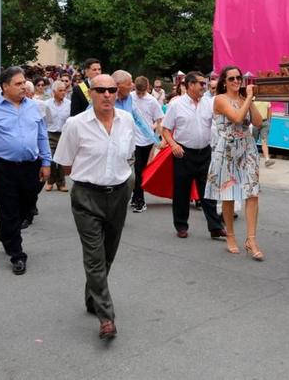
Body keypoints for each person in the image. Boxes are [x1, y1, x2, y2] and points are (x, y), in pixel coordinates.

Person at [54, 74, 136, 340]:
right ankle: (106, 317)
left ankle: (93, 298)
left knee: (108, 253)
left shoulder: (127, 121)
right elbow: (66, 164)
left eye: (112, 90)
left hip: (119, 193)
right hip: (87, 196)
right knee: (94, 257)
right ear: (91, 93)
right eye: (100, 90)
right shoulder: (75, 124)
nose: (107, 95)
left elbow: (128, 157)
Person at [0, 66, 51, 275]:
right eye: (18, 83)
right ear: (5, 86)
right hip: (3, 166)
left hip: (31, 165)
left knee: (26, 206)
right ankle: (17, 253)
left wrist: (46, 162)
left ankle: (7, 234)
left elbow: (42, 135)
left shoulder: (34, 107)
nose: (23, 86)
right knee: (8, 209)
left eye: (24, 82)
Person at [206, 67, 264, 260]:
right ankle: (230, 235)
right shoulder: (220, 99)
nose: (236, 81)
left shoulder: (244, 98)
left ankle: (251, 239)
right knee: (228, 194)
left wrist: (250, 100)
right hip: (227, 149)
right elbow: (238, 118)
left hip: (247, 147)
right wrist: (248, 97)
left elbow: (257, 122)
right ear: (224, 81)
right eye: (232, 78)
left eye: (239, 78)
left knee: (252, 192)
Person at [161, 71, 225, 239]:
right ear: (190, 85)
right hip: (183, 153)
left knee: (208, 192)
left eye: (205, 84)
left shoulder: (209, 103)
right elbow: (165, 129)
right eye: (201, 84)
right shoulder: (176, 104)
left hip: (205, 152)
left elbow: (218, 123)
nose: (204, 87)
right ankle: (181, 226)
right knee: (182, 192)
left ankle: (215, 227)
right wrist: (173, 144)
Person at [130, 75, 164, 213]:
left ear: (148, 88)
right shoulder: (130, 97)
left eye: (142, 92)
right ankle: (136, 197)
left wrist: (153, 128)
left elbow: (160, 120)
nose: (139, 94)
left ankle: (140, 200)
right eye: (138, 92)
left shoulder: (152, 101)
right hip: (131, 139)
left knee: (139, 170)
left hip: (146, 140)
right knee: (133, 171)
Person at [43, 80, 71, 192]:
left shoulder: (69, 103)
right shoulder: (47, 104)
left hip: (64, 134)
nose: (63, 92)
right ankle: (50, 181)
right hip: (50, 133)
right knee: (52, 159)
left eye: (64, 90)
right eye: (60, 90)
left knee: (61, 159)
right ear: (54, 92)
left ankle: (61, 183)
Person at [251, 99, 275, 167]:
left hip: (264, 123)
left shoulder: (266, 100)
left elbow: (269, 111)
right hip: (255, 123)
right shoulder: (253, 99)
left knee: (264, 141)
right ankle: (251, 158)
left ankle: (267, 159)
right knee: (253, 141)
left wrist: (268, 122)